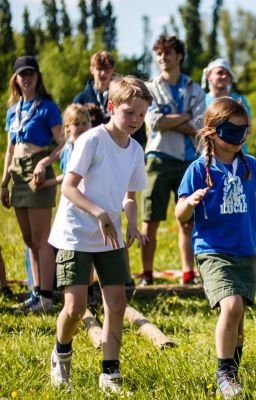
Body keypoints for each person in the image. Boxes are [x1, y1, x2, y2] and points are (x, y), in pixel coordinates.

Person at [175, 97, 256, 398]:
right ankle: (223, 374)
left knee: (239, 320)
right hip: (213, 251)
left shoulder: (250, 165)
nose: (238, 139)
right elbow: (179, 213)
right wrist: (190, 202)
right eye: (231, 132)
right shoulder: (198, 169)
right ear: (212, 132)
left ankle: (233, 372)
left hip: (244, 252)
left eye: (243, 131)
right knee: (231, 306)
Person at [47, 76, 151, 393]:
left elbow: (131, 197)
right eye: (129, 112)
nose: (135, 120)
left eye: (141, 114)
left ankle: (110, 374)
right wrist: (100, 213)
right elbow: (68, 186)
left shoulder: (135, 150)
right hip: (76, 233)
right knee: (76, 308)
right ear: (111, 107)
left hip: (111, 237)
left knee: (116, 304)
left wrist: (131, 223)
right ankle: (61, 353)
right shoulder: (92, 140)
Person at [140, 35, 206, 286]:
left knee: (187, 220)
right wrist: (185, 117)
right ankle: (147, 274)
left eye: (167, 53)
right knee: (150, 220)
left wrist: (172, 120)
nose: (162, 58)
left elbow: (199, 125)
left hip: (188, 160)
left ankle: (188, 273)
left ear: (179, 56)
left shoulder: (194, 88)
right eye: (158, 54)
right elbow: (154, 121)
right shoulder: (150, 88)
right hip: (158, 159)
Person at [1, 56, 65, 313]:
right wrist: (4, 181)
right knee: (28, 240)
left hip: (37, 169)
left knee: (42, 239)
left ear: (38, 77)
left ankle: (47, 297)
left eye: (30, 73)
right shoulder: (12, 111)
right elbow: (9, 149)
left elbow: (63, 143)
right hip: (16, 172)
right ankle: (36, 293)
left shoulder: (48, 108)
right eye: (21, 74)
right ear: (15, 80)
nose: (26, 78)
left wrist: (44, 163)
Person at [73, 51, 147, 149]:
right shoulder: (81, 99)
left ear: (113, 70)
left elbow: (134, 124)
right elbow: (72, 128)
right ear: (91, 69)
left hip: (119, 149)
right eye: (99, 69)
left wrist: (138, 149)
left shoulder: (123, 96)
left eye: (107, 69)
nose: (103, 73)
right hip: (89, 149)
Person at [202, 58, 252, 153]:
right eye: (219, 72)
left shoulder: (239, 100)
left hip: (239, 155)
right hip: (210, 156)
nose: (224, 76)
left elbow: (248, 129)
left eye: (227, 73)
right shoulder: (201, 100)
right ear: (208, 76)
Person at [41, 104, 92, 188]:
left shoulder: (90, 146)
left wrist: (48, 183)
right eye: (76, 124)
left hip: (87, 190)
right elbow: (67, 175)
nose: (81, 127)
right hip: (71, 191)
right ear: (67, 126)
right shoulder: (68, 147)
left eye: (84, 123)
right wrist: (47, 183)